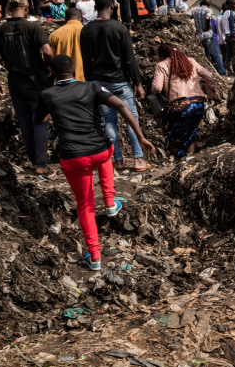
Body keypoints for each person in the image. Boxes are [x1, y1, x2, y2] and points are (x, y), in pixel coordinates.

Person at [33, 54, 154, 271]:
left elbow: (37, 120)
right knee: (107, 151)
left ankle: (95, 255)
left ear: (50, 72)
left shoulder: (47, 94)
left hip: (73, 156)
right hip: (99, 150)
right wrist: (140, 136)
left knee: (85, 205)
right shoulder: (91, 87)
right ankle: (109, 202)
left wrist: (55, 111)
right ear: (74, 70)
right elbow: (121, 106)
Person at [81, 0, 149, 172]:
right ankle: (138, 159)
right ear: (112, 7)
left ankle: (117, 160)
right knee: (131, 119)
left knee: (108, 121)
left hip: (99, 82)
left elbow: (86, 61)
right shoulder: (119, 28)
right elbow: (129, 59)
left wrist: (90, 84)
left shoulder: (86, 30)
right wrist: (138, 83)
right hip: (120, 81)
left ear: (95, 7)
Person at [0, 0, 53, 174]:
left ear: (9, 9)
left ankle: (34, 162)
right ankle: (41, 164)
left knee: (25, 121)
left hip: (15, 81)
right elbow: (47, 52)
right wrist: (48, 67)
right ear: (26, 9)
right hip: (36, 80)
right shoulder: (34, 27)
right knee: (40, 120)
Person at [152, 43, 217, 158]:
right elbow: (209, 75)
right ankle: (190, 156)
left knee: (173, 132)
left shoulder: (161, 65)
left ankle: (178, 157)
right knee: (192, 130)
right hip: (198, 104)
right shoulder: (191, 61)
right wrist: (211, 94)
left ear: (162, 55)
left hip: (180, 106)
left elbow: (157, 88)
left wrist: (154, 91)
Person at [190, 0, 226, 75]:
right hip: (208, 35)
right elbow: (207, 17)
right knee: (216, 54)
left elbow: (187, 16)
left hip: (199, 36)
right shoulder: (208, 10)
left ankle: (203, 71)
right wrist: (207, 26)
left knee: (205, 54)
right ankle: (222, 72)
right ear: (209, 5)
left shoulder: (194, 10)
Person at [49, 8, 85, 81]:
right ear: (82, 19)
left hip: (63, 79)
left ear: (65, 19)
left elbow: (49, 57)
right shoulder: (88, 32)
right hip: (84, 78)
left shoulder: (55, 34)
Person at [216, 0, 235, 75]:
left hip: (227, 36)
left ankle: (229, 71)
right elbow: (232, 26)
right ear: (232, 5)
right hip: (232, 37)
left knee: (228, 54)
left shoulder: (225, 13)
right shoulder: (231, 13)